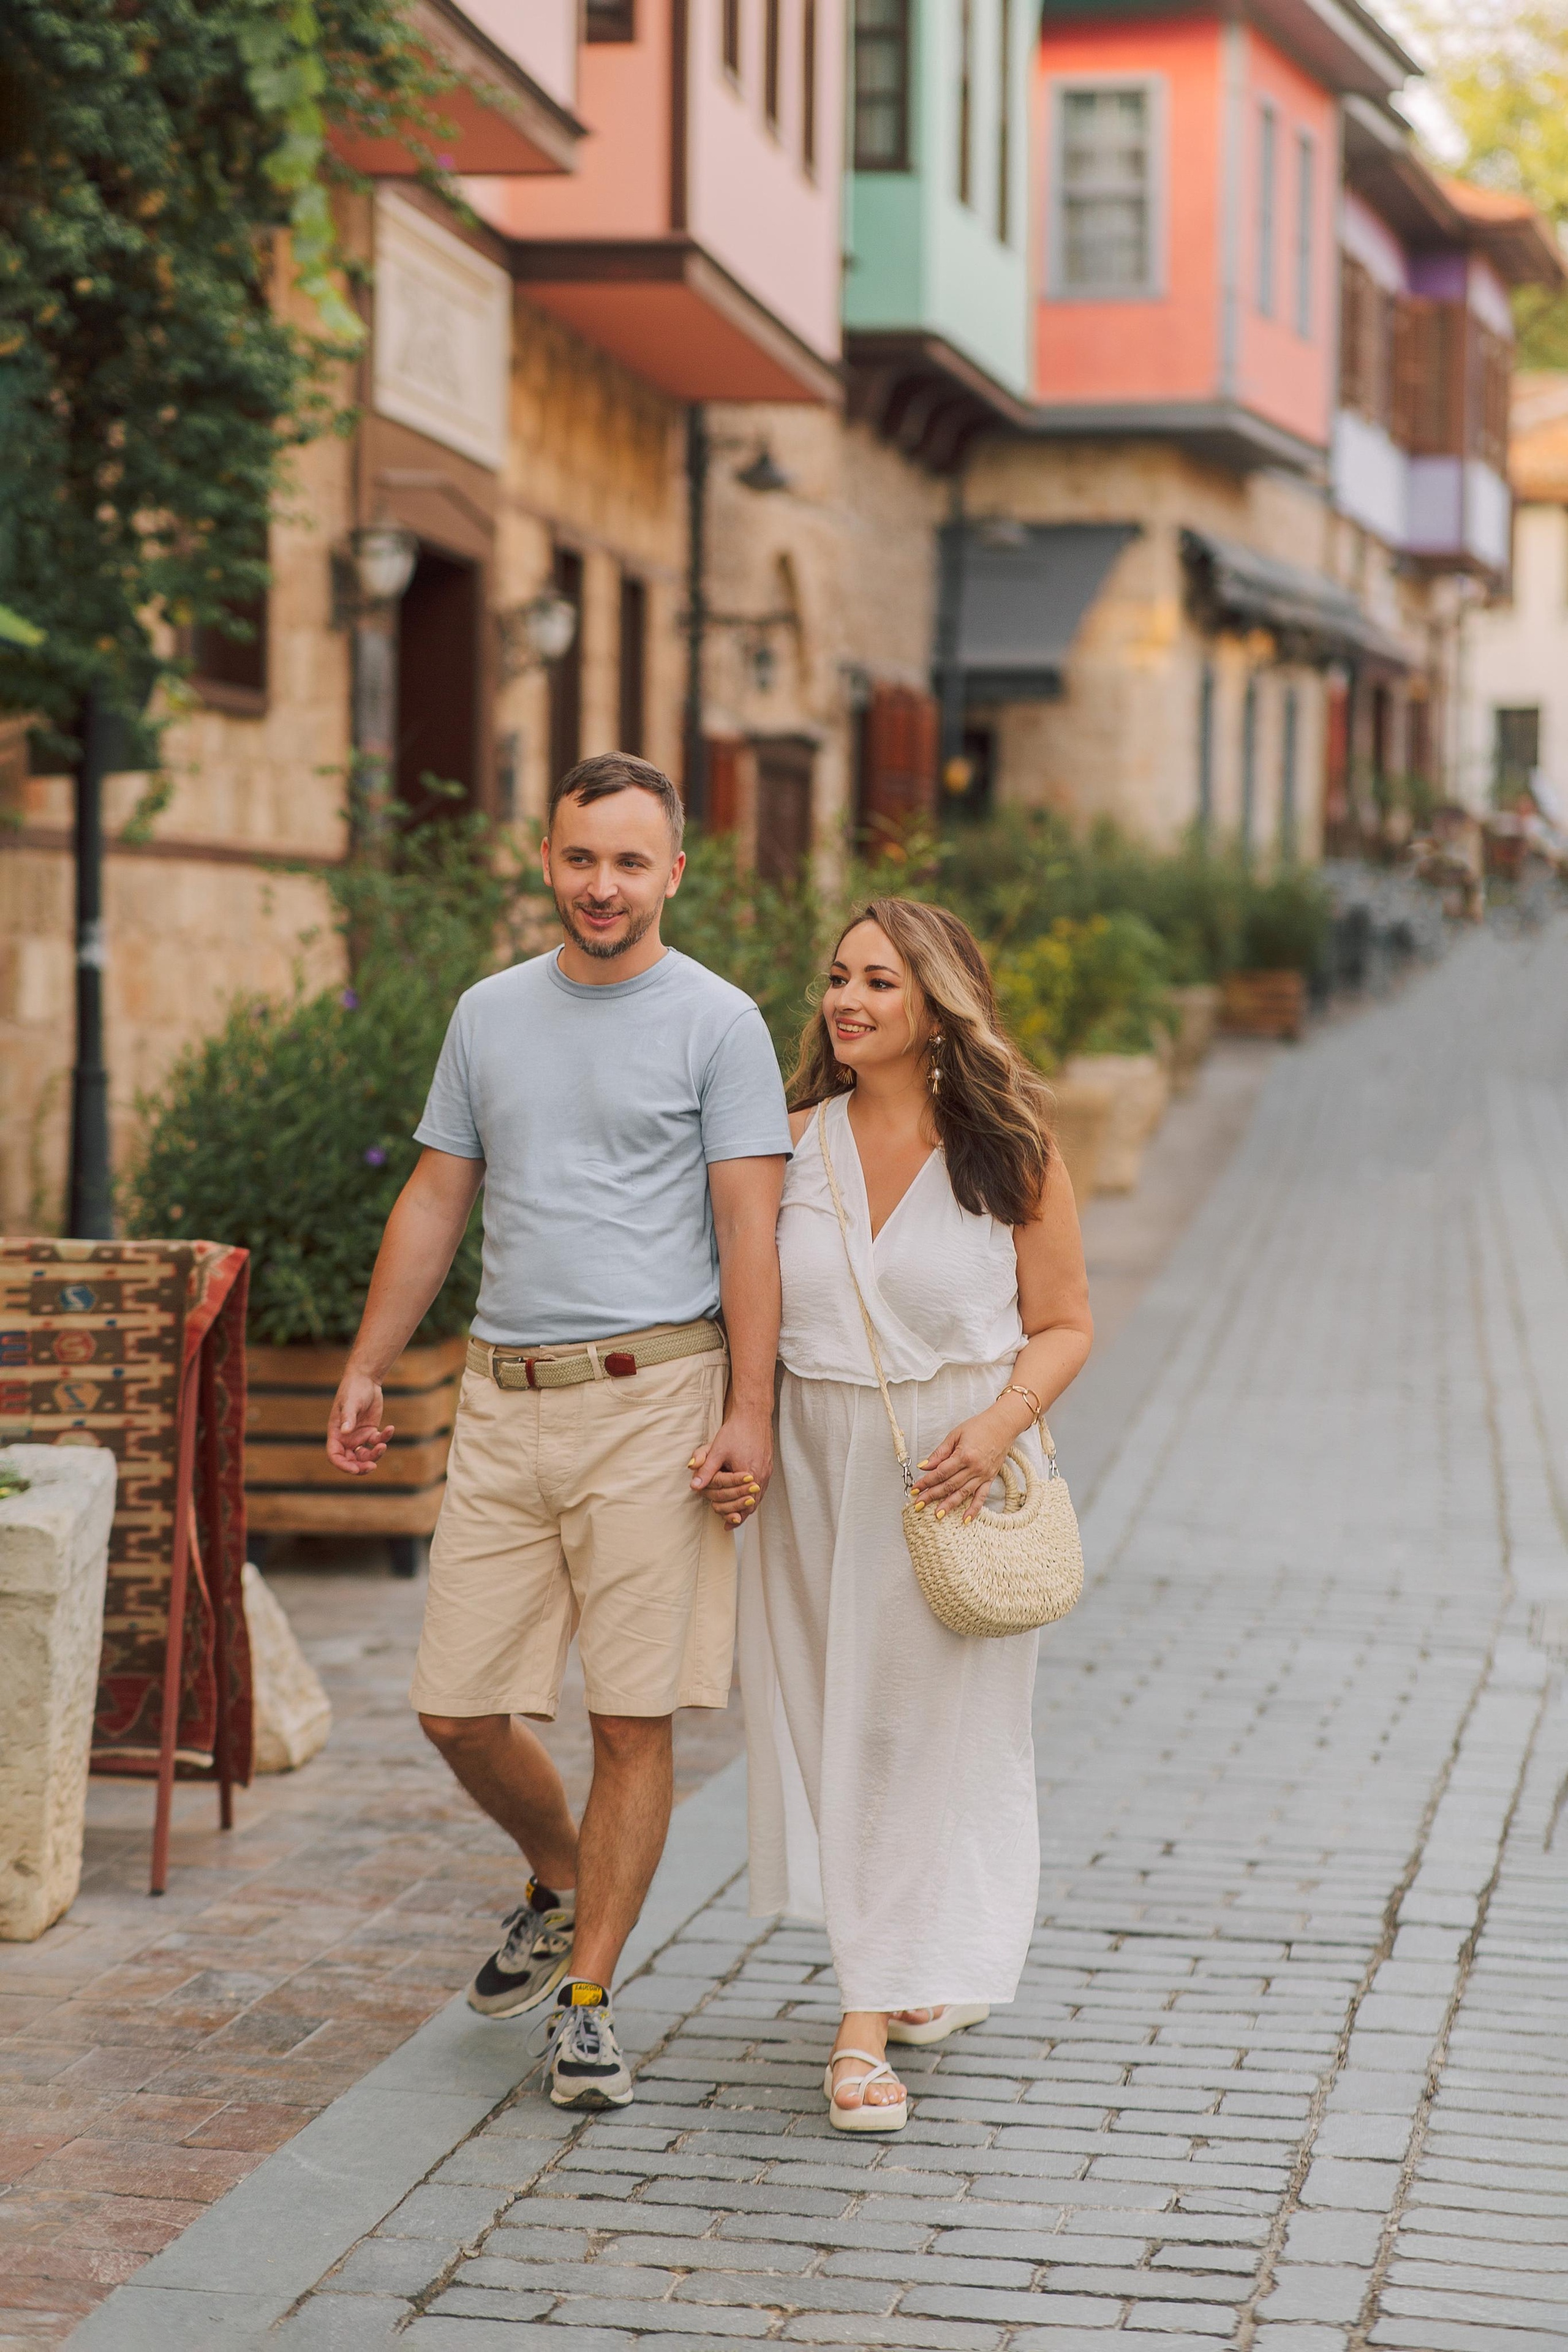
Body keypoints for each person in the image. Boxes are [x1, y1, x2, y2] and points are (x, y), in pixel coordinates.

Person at [325, 752, 790, 2111]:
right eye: (581, 858)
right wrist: (369, 1362)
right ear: (545, 858)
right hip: (502, 1396)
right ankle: (560, 1876)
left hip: (656, 1397)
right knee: (457, 1709)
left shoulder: (720, 1023)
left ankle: (585, 1999)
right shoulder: (488, 1013)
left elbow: (749, 1226)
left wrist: (748, 1411)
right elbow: (435, 1195)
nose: (603, 886)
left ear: (673, 873)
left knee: (631, 1720)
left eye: (630, 862)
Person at [739, 897, 1093, 2130]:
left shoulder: (1005, 1148)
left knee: (921, 1735)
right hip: (812, 1463)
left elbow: (1063, 1324)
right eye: (837, 977)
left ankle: (860, 2018)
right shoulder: (781, 1144)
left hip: (956, 1471)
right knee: (842, 1723)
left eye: (879, 983)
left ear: (937, 1003)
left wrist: (995, 1427)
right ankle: (909, 1965)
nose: (847, 1002)